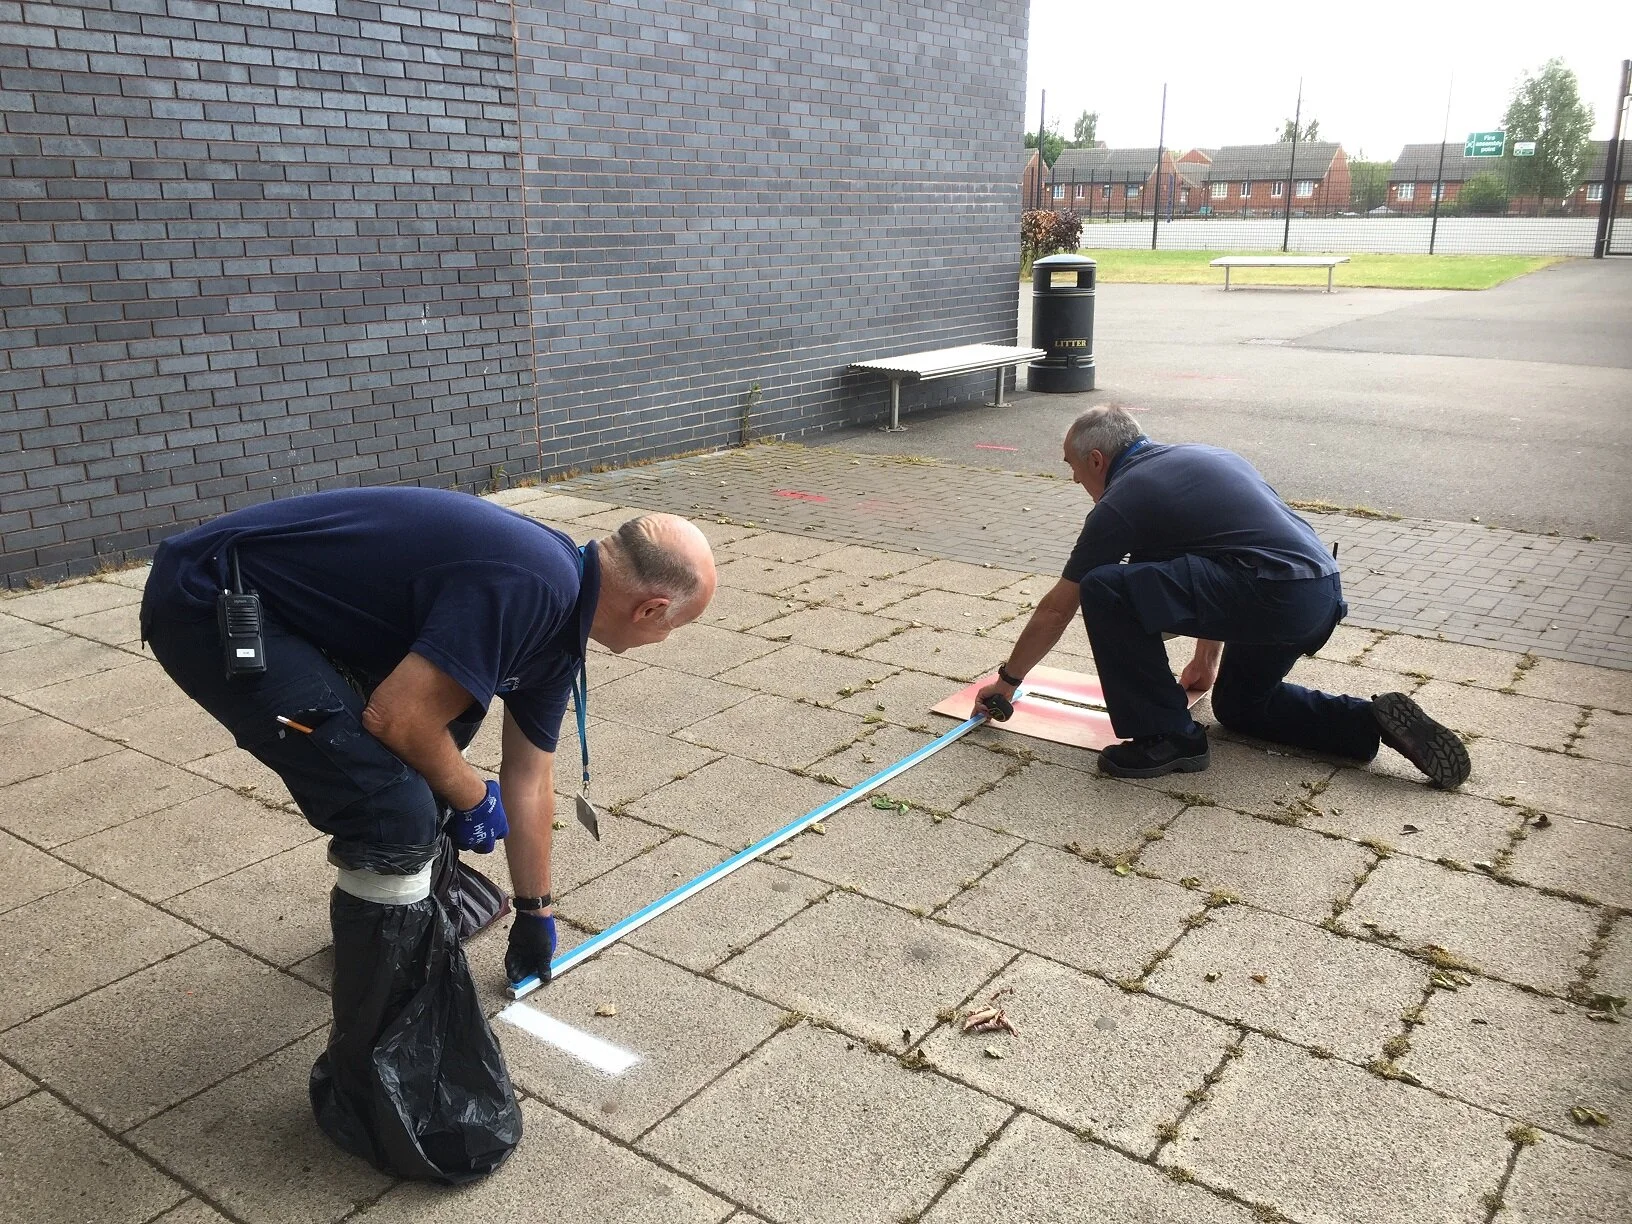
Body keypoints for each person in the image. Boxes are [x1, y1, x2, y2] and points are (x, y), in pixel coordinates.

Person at [139, 487, 715, 1179]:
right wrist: (471, 799)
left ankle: (403, 918)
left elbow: (529, 777)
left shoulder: (560, 621)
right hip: (212, 601)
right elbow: (398, 719)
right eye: (672, 629)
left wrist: (536, 910)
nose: (662, 640)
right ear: (651, 608)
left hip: (289, 605)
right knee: (392, 808)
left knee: (450, 730)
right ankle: (371, 1077)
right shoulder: (533, 586)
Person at [976, 406, 1470, 789]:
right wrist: (1206, 662)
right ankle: (1367, 722)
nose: (1075, 480)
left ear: (1097, 460)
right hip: (1316, 595)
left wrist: (1009, 680)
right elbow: (1216, 558)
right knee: (1241, 707)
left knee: (1106, 586)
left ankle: (1168, 736)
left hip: (1268, 593)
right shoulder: (1205, 459)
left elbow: (1059, 606)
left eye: (1073, 468)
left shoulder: (1123, 500)